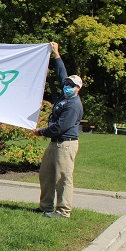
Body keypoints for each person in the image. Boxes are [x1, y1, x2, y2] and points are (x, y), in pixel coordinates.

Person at [33, 42, 83, 218]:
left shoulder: (73, 105)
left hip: (66, 144)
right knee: (46, 174)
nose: (67, 86)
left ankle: (63, 211)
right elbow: (62, 73)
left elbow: (60, 127)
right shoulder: (65, 95)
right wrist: (56, 54)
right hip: (55, 143)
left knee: (63, 178)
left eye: (71, 85)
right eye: (67, 83)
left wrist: (41, 131)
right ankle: (45, 206)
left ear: (78, 89)